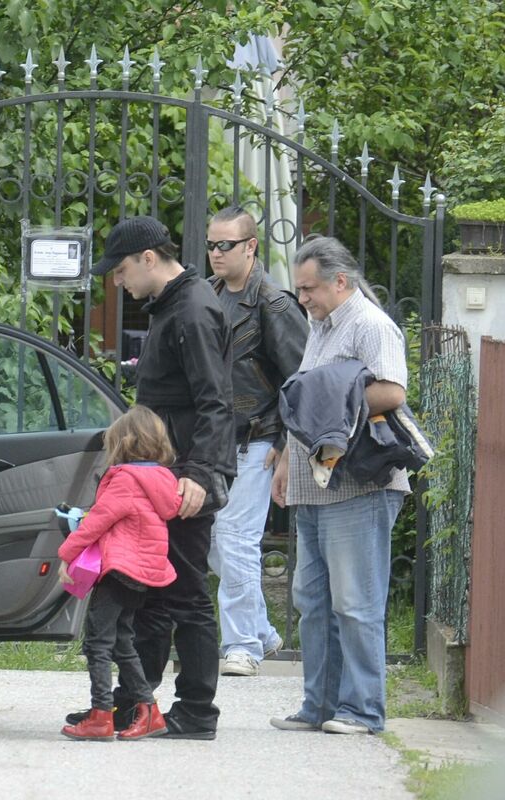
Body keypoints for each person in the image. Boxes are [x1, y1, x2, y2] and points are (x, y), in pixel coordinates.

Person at [70, 215, 235, 740]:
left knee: (185, 595)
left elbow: (216, 401)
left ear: (148, 258)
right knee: (153, 597)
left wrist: (200, 474)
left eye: (121, 270)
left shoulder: (193, 310)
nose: (117, 282)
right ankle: (133, 704)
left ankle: (197, 711)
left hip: (183, 482)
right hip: (165, 478)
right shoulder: (172, 306)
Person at [269, 236, 409, 735]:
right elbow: (309, 403)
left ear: (341, 281)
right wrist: (286, 460)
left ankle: (363, 710)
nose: (302, 297)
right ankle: (320, 705)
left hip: (359, 487)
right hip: (315, 486)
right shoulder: (320, 325)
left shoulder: (370, 324)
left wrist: (333, 397)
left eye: (310, 288)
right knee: (312, 600)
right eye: (300, 288)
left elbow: (392, 390)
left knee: (355, 603)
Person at [204, 207, 308, 677]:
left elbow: (302, 379)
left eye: (225, 245)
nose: (216, 253)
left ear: (250, 247)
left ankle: (242, 644)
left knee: (234, 539)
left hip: (259, 440)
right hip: (214, 442)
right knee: (212, 542)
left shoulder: (274, 304)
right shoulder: (207, 295)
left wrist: (286, 443)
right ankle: (262, 632)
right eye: (211, 244)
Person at [58, 406, 183, 741]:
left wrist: (66, 555)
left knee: (97, 644)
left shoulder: (125, 479)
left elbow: (97, 522)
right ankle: (149, 712)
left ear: (124, 442)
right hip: (142, 574)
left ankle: (101, 715)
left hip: (118, 571)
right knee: (123, 642)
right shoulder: (163, 479)